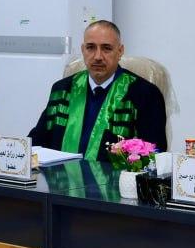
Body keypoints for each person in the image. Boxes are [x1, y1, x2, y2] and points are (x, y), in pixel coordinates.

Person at [29, 20, 167, 161]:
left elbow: (154, 154)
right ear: (83, 50)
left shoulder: (145, 94)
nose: (98, 57)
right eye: (91, 48)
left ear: (120, 51)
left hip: (115, 175)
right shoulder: (62, 90)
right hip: (60, 174)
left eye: (106, 48)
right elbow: (36, 142)